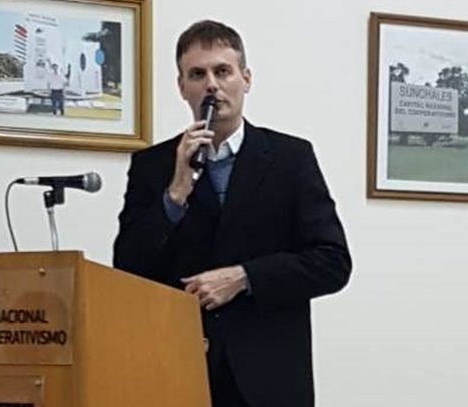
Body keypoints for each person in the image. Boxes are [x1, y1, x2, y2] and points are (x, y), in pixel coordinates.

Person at [113, 20, 352, 407]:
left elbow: (332, 263)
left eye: (222, 71)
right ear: (181, 87)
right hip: (177, 370)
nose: (211, 85)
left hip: (269, 381)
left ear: (246, 79)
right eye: (197, 74)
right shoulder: (152, 165)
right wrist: (175, 194)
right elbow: (127, 267)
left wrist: (244, 277)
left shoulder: (291, 159)